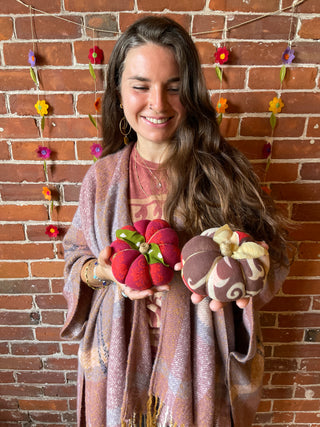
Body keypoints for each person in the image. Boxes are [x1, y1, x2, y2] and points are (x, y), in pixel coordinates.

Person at [61, 16, 289, 427]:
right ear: (118, 90)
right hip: (116, 362)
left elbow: (273, 259)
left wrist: (246, 277)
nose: (158, 104)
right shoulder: (101, 178)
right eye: (141, 85)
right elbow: (76, 259)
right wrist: (106, 270)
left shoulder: (223, 172)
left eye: (174, 86)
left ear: (192, 91)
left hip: (197, 361)